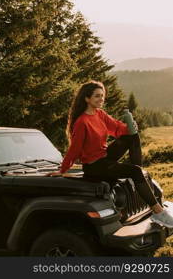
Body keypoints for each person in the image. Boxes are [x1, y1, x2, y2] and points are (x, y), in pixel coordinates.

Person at [47, 80, 173, 228]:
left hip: (105, 156)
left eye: (102, 96)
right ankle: (158, 213)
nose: (101, 99)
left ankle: (136, 176)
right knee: (135, 171)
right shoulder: (81, 122)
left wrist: (130, 127)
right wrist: (62, 170)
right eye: (97, 96)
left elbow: (117, 127)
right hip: (94, 166)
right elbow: (74, 149)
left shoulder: (99, 114)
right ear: (87, 99)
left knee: (132, 136)